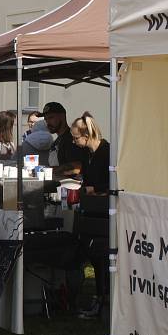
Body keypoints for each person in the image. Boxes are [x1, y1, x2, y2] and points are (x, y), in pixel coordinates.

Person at [70, 112, 110, 318]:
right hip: (92, 209)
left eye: (76, 138)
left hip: (105, 211)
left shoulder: (107, 151)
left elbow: (115, 182)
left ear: (87, 134)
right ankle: (100, 297)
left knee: (103, 257)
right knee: (94, 257)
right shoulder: (87, 154)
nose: (75, 142)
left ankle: (104, 298)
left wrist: (97, 189)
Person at [40, 102, 89, 177]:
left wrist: (50, 171)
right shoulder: (57, 140)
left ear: (62, 116)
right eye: (46, 119)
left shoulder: (72, 139)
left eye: (50, 118)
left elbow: (78, 167)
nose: (48, 122)